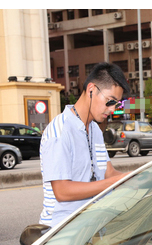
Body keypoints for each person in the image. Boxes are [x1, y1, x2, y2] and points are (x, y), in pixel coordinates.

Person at [39, 62, 130, 228]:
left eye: (116, 105)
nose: (112, 110)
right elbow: (62, 191)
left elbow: (108, 172)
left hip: (89, 226)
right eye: (110, 102)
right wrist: (116, 181)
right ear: (91, 90)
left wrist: (140, 177)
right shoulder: (60, 131)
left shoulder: (94, 128)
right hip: (60, 231)